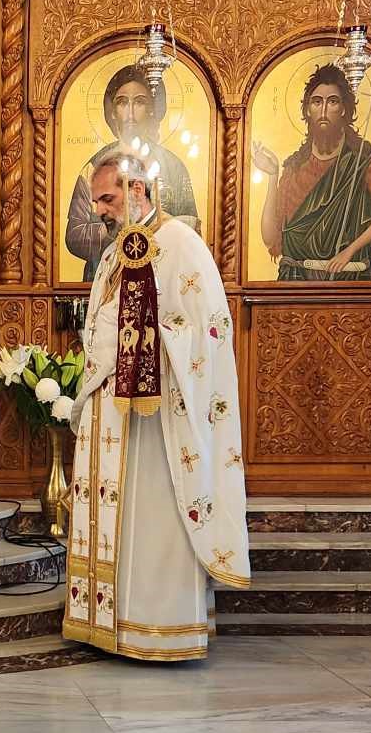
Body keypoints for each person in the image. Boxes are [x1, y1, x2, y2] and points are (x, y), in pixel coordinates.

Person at [63, 148, 249, 661]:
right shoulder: (115, 249)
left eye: (107, 198)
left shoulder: (180, 244)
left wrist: (151, 345)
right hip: (110, 407)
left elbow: (208, 331)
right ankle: (112, 622)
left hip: (162, 415)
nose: (99, 209)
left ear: (138, 189)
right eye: (97, 200)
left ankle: (157, 624)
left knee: (155, 517)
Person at [253, 63, 371, 281]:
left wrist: (348, 252)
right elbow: (270, 238)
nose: (323, 111)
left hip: (349, 282)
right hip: (295, 283)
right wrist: (272, 176)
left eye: (332, 102)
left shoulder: (366, 160)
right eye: (316, 102)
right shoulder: (294, 167)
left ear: (344, 110)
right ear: (307, 111)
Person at [65, 64, 200, 281]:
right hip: (109, 278)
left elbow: (192, 227)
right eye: (121, 102)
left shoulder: (173, 166)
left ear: (152, 109)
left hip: (161, 278)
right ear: (112, 111)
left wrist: (153, 229)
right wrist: (120, 226)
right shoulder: (95, 168)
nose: (129, 112)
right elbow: (74, 235)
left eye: (139, 102)